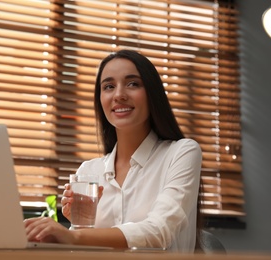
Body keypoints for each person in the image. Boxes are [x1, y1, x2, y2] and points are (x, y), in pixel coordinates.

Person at [24, 49, 202, 252]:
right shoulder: (89, 171)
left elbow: (159, 232)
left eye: (133, 84)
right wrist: (75, 225)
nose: (119, 95)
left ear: (152, 93)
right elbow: (79, 250)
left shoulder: (182, 153)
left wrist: (73, 235)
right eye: (108, 86)